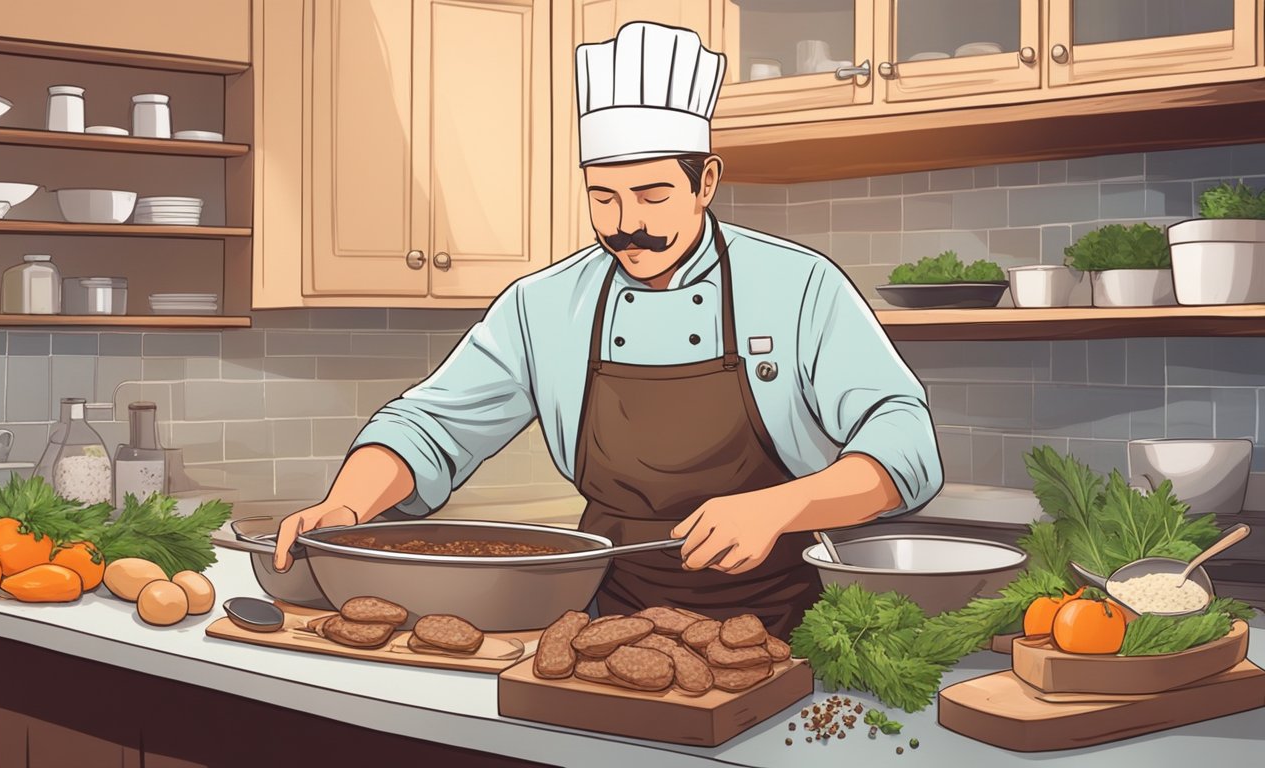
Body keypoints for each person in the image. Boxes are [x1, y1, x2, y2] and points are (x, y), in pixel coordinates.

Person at [275, 21, 942, 635]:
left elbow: (905, 440)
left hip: (785, 619)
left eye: (653, 196)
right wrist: (347, 507)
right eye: (603, 196)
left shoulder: (798, 285)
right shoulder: (546, 304)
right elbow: (431, 424)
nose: (626, 223)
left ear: (705, 181)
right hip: (609, 619)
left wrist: (779, 508)